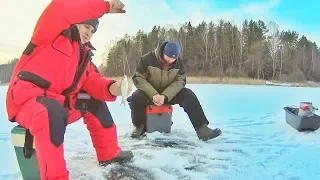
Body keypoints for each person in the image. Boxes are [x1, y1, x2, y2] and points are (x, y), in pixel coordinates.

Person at [5, 0, 133, 179]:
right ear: (75, 20)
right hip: (27, 100)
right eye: (86, 26)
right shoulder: (49, 33)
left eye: (93, 30)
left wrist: (114, 88)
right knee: (51, 112)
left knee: (93, 100)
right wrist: (104, 6)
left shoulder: (84, 56)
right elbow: (61, 7)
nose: (89, 33)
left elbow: (93, 81)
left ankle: (109, 153)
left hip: (59, 104)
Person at [128, 41, 222, 141]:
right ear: (162, 52)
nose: (170, 60)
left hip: (168, 95)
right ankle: (138, 127)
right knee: (136, 96)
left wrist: (165, 96)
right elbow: (138, 77)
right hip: (149, 94)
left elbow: (180, 81)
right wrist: (153, 94)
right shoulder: (147, 59)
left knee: (188, 94)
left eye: (174, 58)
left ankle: (202, 129)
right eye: (168, 57)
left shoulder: (179, 64)